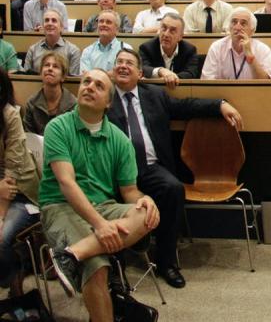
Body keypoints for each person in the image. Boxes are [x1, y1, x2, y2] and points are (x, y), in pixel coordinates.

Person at [107, 49, 243, 287]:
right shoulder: (105, 97)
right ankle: (114, 269)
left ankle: (166, 262)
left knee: (173, 189)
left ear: (140, 73)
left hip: (150, 167)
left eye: (129, 63)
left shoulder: (154, 95)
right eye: (119, 62)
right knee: (104, 196)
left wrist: (220, 105)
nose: (123, 66)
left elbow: (187, 106)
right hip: (115, 171)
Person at [39, 67, 159, 320]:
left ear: (108, 103)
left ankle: (73, 254)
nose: (90, 87)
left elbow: (129, 192)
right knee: (97, 266)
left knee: (147, 214)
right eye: (86, 81)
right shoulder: (57, 127)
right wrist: (101, 226)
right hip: (60, 206)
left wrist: (144, 199)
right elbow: (66, 183)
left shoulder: (119, 140)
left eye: (99, 85)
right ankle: (85, 256)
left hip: (103, 206)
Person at [0, 67, 40, 292]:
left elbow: (10, 177)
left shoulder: (10, 114)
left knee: (1, 239)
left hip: (20, 193)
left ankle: (13, 273)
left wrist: (0, 217)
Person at [201, 7, 271, 79]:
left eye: (243, 23)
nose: (237, 27)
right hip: (223, 91)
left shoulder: (263, 49)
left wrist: (250, 56)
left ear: (252, 31)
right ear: (229, 27)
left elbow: (267, 84)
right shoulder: (216, 48)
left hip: (253, 91)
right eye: (234, 22)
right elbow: (207, 81)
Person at [138, 13, 201, 84]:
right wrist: (161, 71)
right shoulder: (146, 48)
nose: (166, 34)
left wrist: (170, 78)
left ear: (180, 36)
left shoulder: (189, 50)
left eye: (172, 31)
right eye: (164, 28)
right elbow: (143, 68)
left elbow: (191, 73)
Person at [23, 51, 77, 134]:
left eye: (55, 66)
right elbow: (29, 136)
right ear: (41, 73)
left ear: (63, 77)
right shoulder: (31, 103)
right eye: (47, 65)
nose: (50, 68)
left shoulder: (73, 104)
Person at [24, 9, 81, 75]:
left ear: (61, 27)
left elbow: (72, 82)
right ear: (42, 26)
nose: (50, 23)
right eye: (47, 20)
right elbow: (26, 78)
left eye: (54, 20)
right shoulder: (33, 50)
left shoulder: (73, 51)